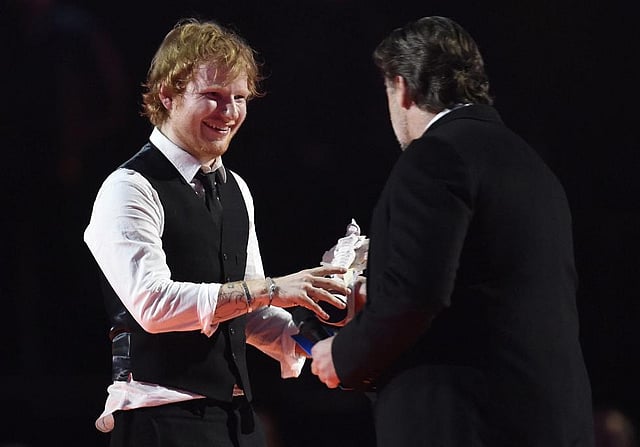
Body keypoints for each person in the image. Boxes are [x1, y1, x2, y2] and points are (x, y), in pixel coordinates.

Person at [311, 16, 595, 447]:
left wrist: (344, 355)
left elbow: (417, 295)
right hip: (550, 418)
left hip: (463, 420)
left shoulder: (435, 156)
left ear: (402, 87)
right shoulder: (533, 165)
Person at [84, 18, 348, 447]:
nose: (229, 113)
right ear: (166, 96)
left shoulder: (236, 188)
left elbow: (253, 315)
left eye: (239, 98)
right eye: (212, 96)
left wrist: (326, 322)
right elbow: (153, 304)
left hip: (236, 421)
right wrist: (272, 289)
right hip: (160, 419)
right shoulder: (128, 188)